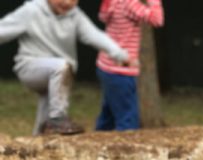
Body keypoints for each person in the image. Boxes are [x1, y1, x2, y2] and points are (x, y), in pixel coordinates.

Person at [0, 0, 129, 135]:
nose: (67, 2)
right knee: (61, 67)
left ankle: (39, 138)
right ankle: (57, 119)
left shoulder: (75, 16)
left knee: (50, 100)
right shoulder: (31, 11)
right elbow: (3, 29)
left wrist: (120, 54)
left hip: (57, 73)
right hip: (29, 67)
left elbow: (95, 35)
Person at [95, 0, 164, 131]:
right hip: (121, 70)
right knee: (128, 119)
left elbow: (102, 16)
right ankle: (126, 149)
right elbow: (157, 20)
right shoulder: (130, 4)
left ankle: (94, 145)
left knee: (108, 116)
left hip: (106, 66)